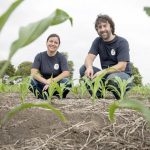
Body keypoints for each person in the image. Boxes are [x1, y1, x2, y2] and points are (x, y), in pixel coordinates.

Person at [79, 14, 132, 99]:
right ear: (97, 30)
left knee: (112, 79)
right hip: (106, 75)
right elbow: (89, 58)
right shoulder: (97, 41)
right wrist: (89, 67)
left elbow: (122, 66)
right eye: (99, 27)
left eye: (105, 26)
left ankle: (120, 98)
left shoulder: (122, 42)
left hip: (123, 76)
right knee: (83, 69)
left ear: (111, 27)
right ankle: (98, 96)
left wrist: (102, 72)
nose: (102, 29)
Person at [29, 33, 71, 99]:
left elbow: (66, 73)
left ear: (58, 45)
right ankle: (42, 95)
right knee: (30, 81)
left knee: (66, 82)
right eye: (51, 41)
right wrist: (46, 82)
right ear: (46, 42)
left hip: (56, 85)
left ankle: (59, 95)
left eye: (56, 42)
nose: (53, 44)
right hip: (43, 84)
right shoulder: (39, 56)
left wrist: (52, 81)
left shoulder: (62, 57)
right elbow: (34, 73)